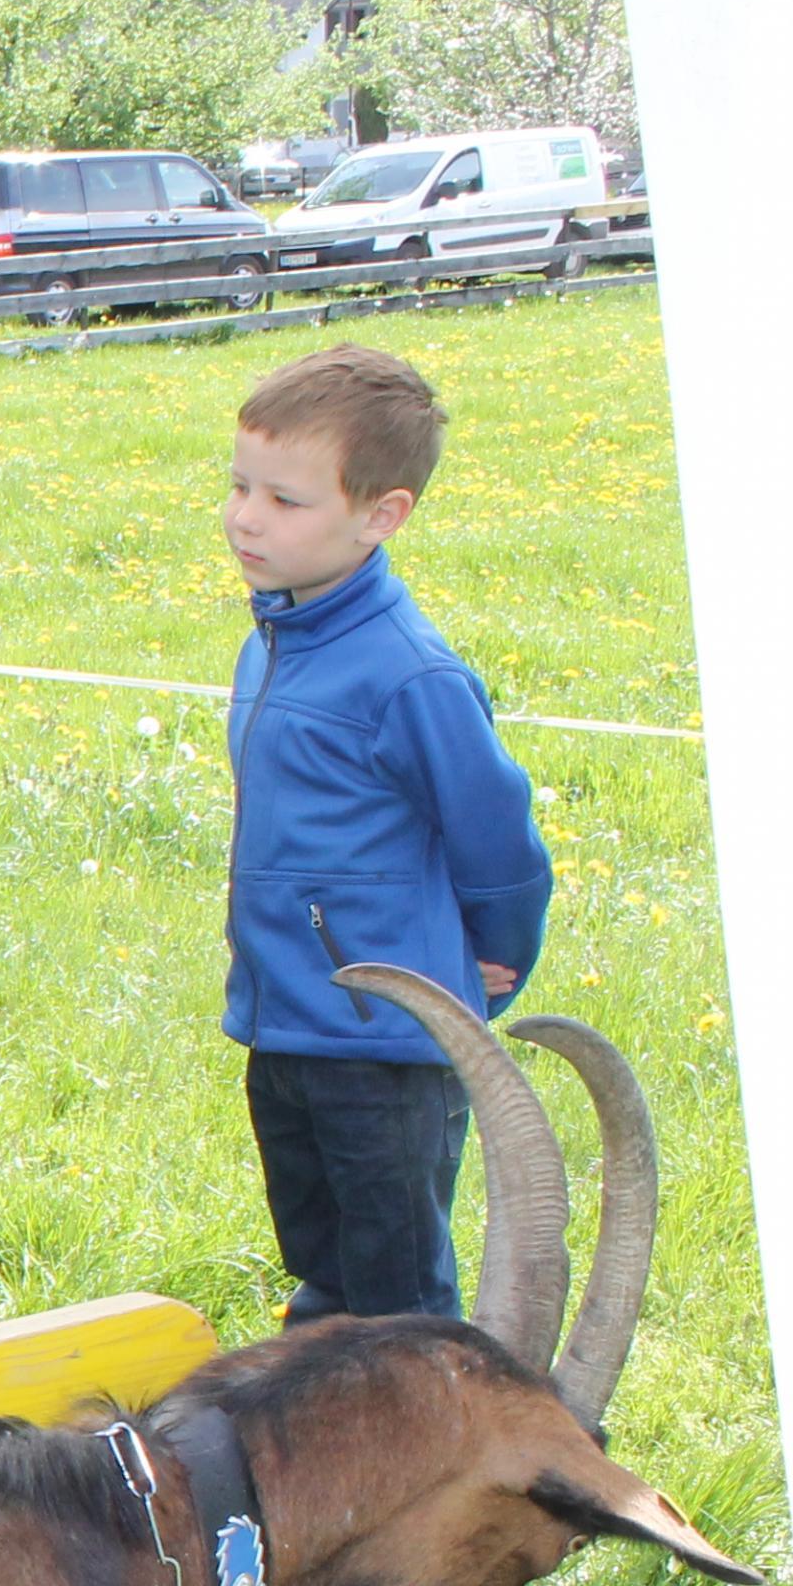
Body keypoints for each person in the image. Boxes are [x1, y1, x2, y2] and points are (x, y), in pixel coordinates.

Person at [219, 343, 553, 1323]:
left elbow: (499, 845)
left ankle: (415, 1419)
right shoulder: (274, 641)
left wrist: (485, 969)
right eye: (239, 486)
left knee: (397, 1300)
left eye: (285, 500)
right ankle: (321, 1400)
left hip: (385, 1048)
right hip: (287, 1026)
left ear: (381, 515)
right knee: (323, 1273)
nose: (246, 517)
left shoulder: (411, 676)